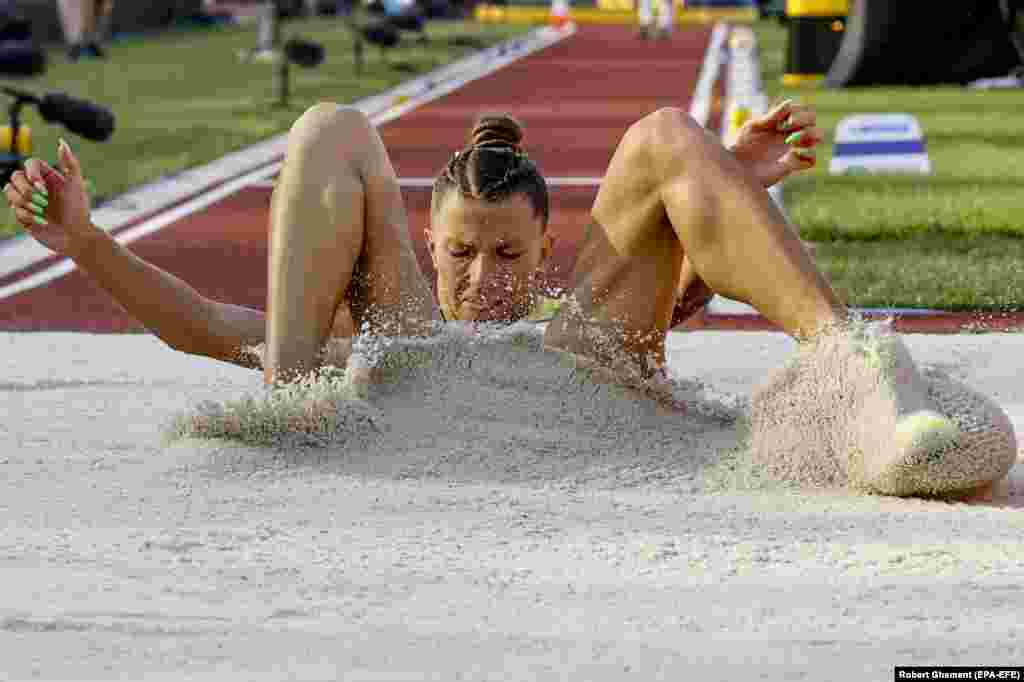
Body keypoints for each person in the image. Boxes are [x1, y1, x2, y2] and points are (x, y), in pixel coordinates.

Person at [3, 101, 1006, 495]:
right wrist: (87, 243)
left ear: (544, 251)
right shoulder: (388, 327)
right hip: (404, 379)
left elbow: (681, 300)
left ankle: (861, 388)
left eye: (507, 257)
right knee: (328, 124)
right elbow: (207, 327)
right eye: (461, 253)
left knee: (663, 133)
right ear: (425, 244)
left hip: (588, 384)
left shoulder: (581, 329)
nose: (485, 280)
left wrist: (725, 183)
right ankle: (291, 391)